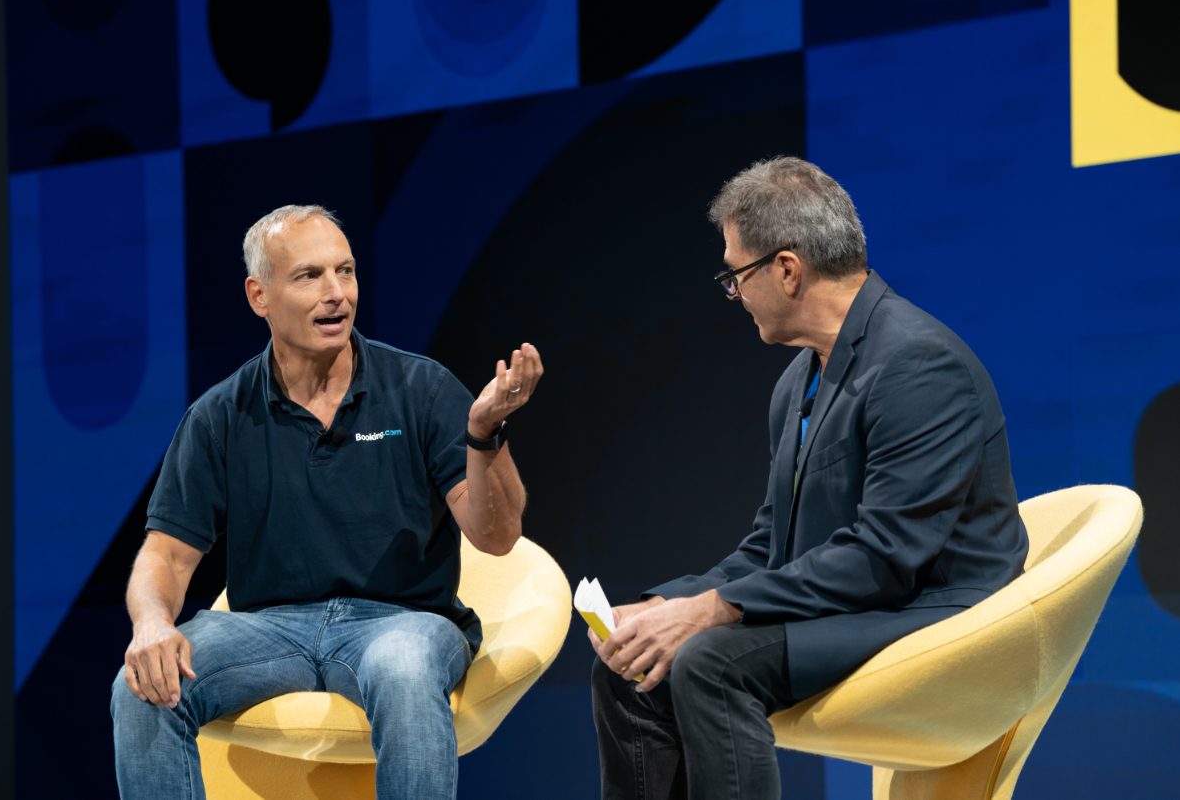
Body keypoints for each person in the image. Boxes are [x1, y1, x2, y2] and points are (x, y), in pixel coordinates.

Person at [590, 157, 1028, 799]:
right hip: (864, 599)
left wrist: (710, 613)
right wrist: (671, 603)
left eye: (734, 275)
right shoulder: (799, 378)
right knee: (634, 664)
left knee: (712, 664)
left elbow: (885, 555)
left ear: (787, 270)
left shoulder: (917, 364)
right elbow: (773, 544)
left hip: (933, 611)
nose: (733, 295)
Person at [110, 204, 543, 800]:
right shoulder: (219, 415)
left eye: (346, 271)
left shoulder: (421, 388)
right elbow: (165, 556)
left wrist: (483, 435)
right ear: (259, 295)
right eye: (310, 276)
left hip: (403, 621)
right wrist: (152, 623)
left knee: (404, 667)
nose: (336, 294)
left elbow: (495, 536)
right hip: (267, 630)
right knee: (144, 684)